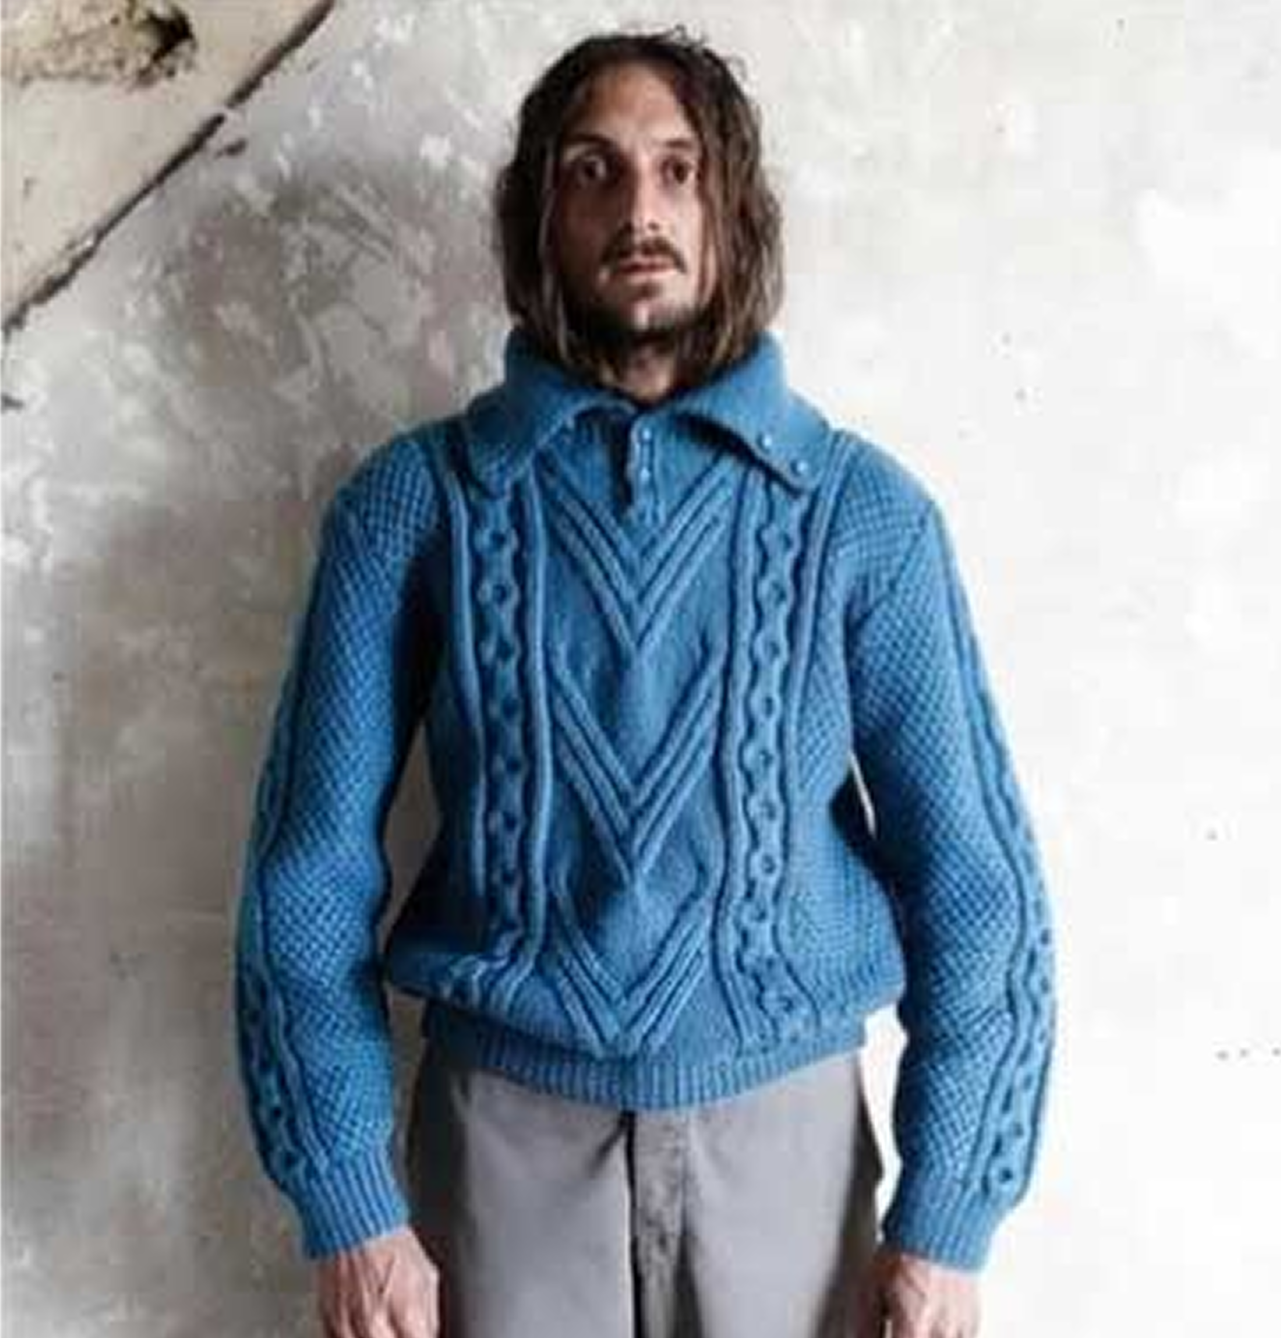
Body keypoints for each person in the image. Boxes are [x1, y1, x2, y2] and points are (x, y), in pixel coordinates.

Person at [232, 25, 1056, 1338]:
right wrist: (349, 1202)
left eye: (680, 169)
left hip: (786, 1143)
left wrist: (949, 1212)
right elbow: (307, 873)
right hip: (501, 1143)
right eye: (594, 171)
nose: (641, 211)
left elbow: (976, 884)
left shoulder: (862, 516)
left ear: (735, 208)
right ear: (538, 212)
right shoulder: (416, 506)